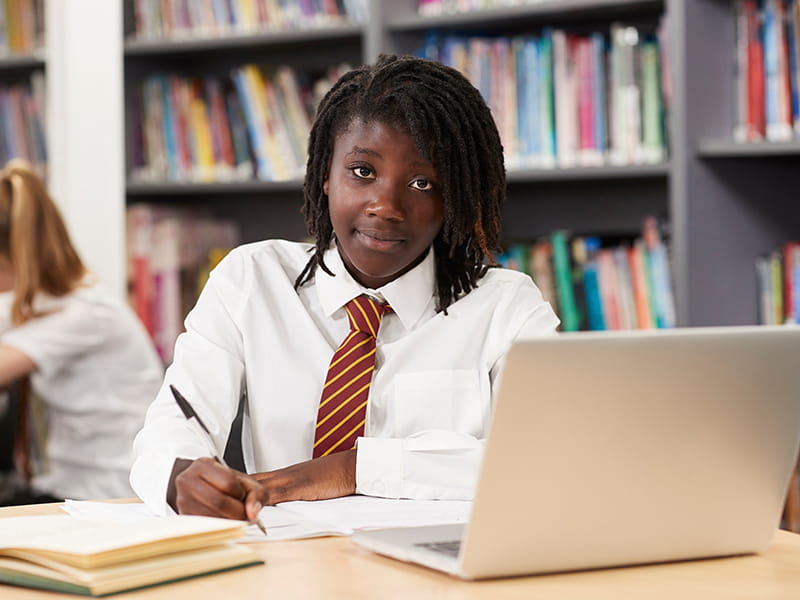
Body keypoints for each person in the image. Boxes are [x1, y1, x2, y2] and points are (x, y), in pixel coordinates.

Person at [130, 54, 559, 521]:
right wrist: (181, 477)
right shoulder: (251, 279)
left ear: (455, 198)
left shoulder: (505, 307)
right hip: (286, 565)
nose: (386, 206)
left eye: (422, 182)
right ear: (325, 178)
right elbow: (172, 424)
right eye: (362, 172)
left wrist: (353, 470)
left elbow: (546, 460)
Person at [0, 160, 163, 504]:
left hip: (112, 494)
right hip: (68, 484)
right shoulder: (38, 306)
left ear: (10, 260)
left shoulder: (86, 314)